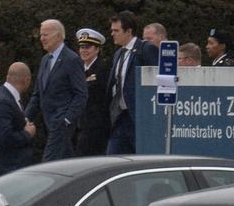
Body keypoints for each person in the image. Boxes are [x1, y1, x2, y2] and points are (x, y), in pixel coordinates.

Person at [25, 19, 87, 161]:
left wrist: (67, 119)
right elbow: (38, 94)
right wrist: (25, 117)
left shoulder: (71, 60)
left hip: (61, 122)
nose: (42, 39)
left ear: (58, 36)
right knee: (67, 162)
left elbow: (81, 94)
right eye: (41, 35)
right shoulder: (45, 60)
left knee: (49, 161)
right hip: (50, 123)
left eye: (45, 35)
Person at [106, 10, 159, 154]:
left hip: (138, 118)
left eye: (116, 30)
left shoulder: (146, 49)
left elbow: (156, 82)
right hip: (120, 117)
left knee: (142, 158)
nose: (112, 34)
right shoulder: (118, 54)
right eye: (112, 30)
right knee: (114, 159)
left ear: (128, 31)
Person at [0, 62, 36, 179]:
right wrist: (27, 133)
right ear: (27, 80)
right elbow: (5, 137)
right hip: (7, 170)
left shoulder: (7, 97)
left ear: (7, 77)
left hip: (11, 168)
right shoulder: (3, 101)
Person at [72, 28, 109, 156]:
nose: (83, 51)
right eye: (81, 47)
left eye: (88, 47)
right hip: (80, 124)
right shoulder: (78, 70)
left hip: (97, 126)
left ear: (97, 49)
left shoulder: (102, 69)